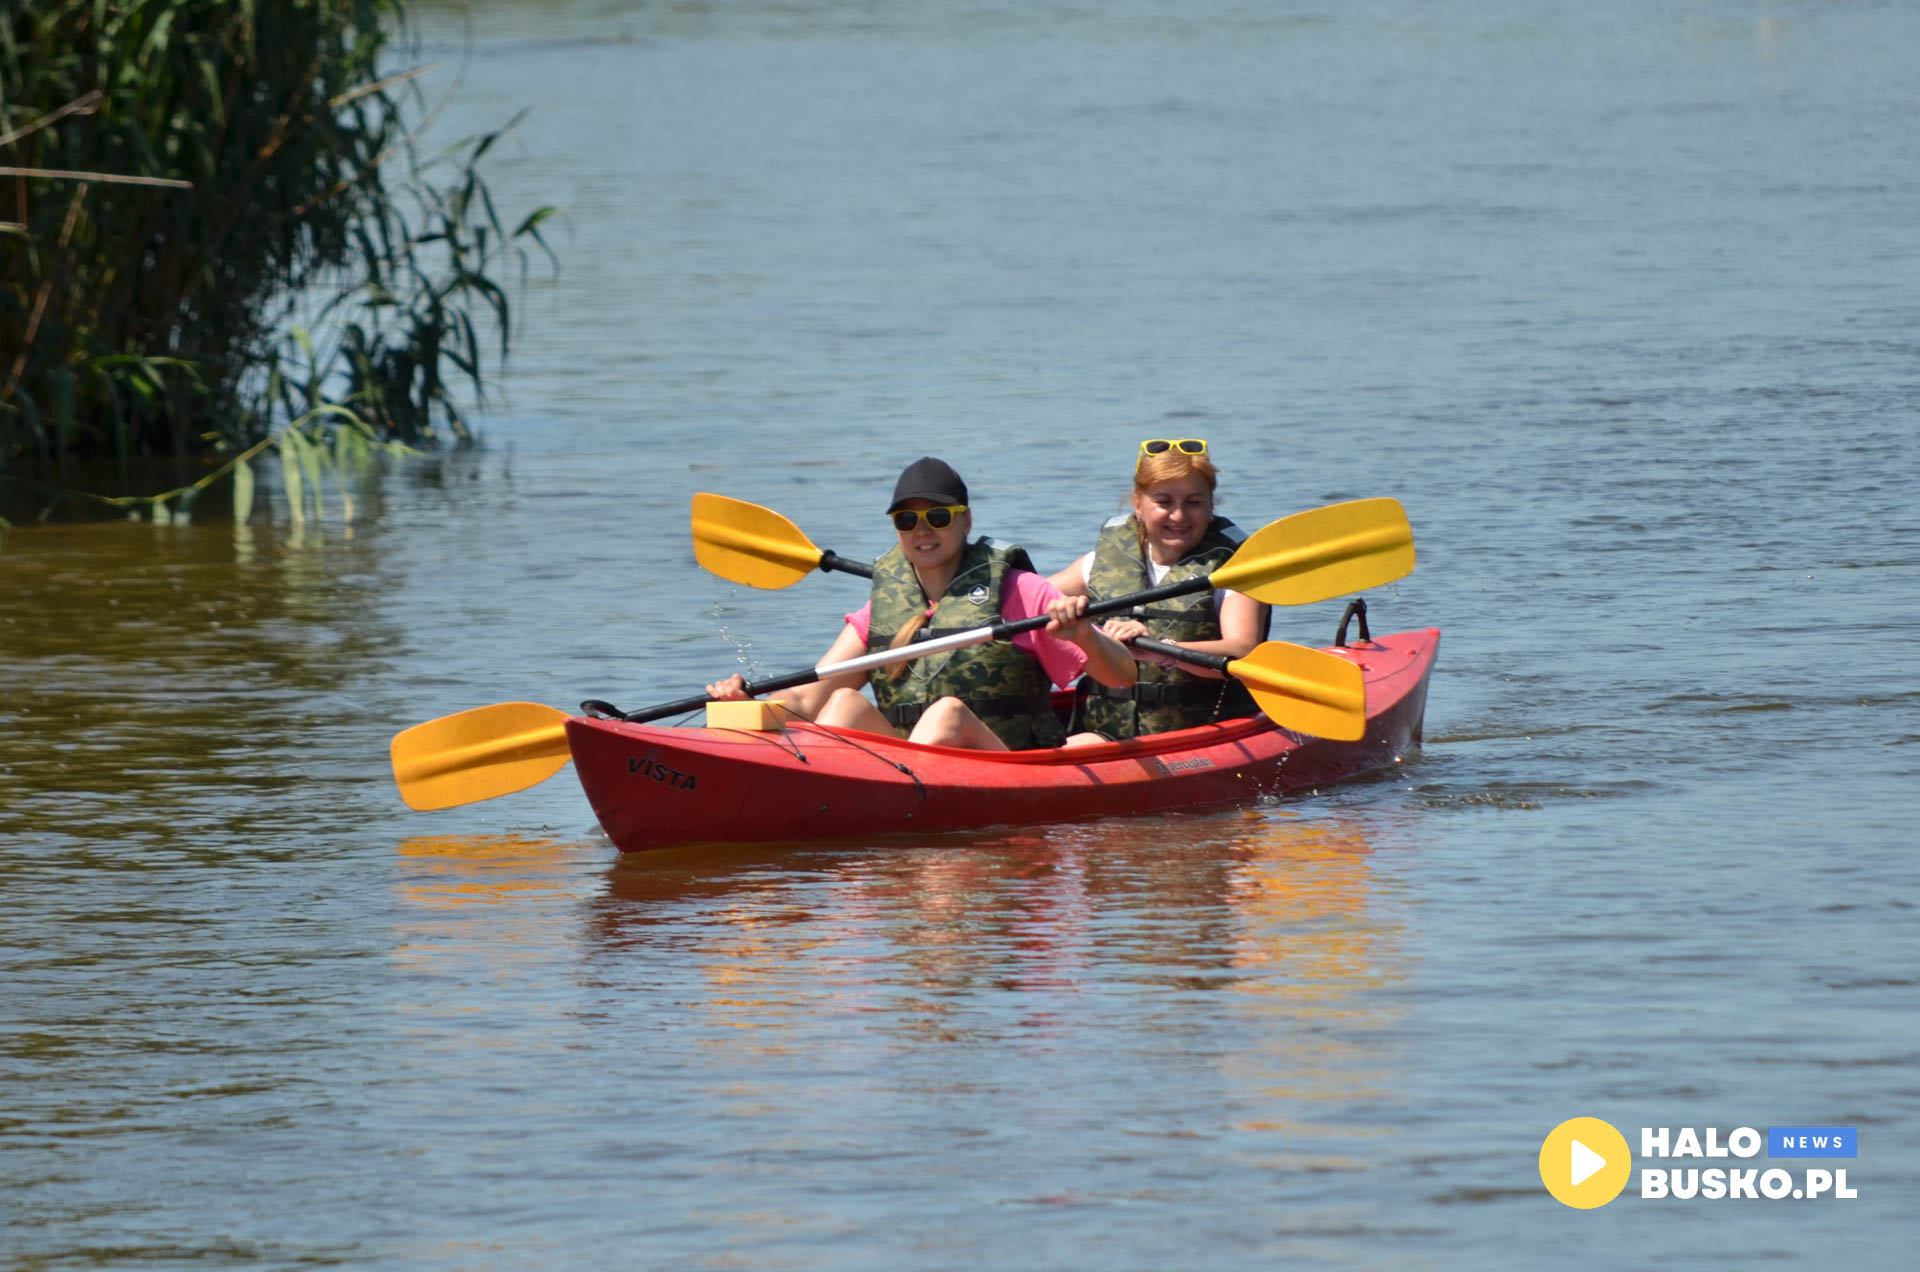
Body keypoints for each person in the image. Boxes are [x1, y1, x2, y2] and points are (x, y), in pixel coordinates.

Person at [706, 457, 1137, 750]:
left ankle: (882, 813)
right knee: (842, 704)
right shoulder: (884, 608)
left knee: (947, 712)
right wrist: (745, 706)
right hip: (911, 770)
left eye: (938, 517)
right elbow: (806, 699)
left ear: (965, 520)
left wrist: (1084, 634)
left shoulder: (1020, 591)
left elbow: (1121, 675)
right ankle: (829, 805)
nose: (923, 531)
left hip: (1007, 761)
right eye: (908, 520)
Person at [1047, 438, 1268, 739]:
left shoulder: (1237, 569)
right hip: (1104, 730)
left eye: (1194, 502)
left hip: (1201, 733)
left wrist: (1162, 650)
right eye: (1164, 502)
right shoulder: (1101, 562)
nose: (1178, 516)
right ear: (1138, 505)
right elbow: (1027, 599)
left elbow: (1242, 652)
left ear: (1211, 504)